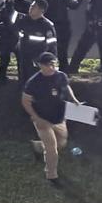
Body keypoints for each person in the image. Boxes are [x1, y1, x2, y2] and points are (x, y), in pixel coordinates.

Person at [20, 53, 76, 182]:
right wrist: (36, 117)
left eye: (53, 64)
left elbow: (67, 87)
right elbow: (25, 101)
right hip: (42, 119)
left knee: (61, 143)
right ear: (40, 65)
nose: (52, 67)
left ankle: (38, 146)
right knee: (51, 149)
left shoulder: (61, 76)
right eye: (48, 64)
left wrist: (74, 99)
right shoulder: (34, 82)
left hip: (59, 117)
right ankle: (51, 175)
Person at [33, 0, 80, 72]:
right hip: (62, 28)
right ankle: (63, 75)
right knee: (62, 53)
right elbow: (74, 5)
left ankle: (44, 73)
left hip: (45, 28)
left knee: (45, 52)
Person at [14, 0, 57, 84]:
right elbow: (15, 33)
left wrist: (50, 62)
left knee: (35, 84)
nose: (31, 8)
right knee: (23, 83)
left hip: (37, 61)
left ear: (41, 10)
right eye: (31, 6)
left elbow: (52, 46)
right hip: (23, 58)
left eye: (34, 7)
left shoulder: (47, 26)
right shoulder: (24, 21)